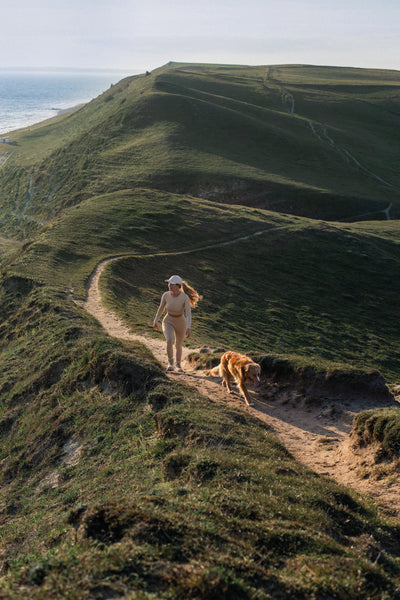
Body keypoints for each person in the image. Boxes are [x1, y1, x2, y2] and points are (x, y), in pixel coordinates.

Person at [153, 275, 201, 372]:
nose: (169, 285)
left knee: (178, 345)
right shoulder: (165, 295)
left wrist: (188, 327)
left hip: (181, 322)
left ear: (178, 286)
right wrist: (156, 320)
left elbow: (188, 314)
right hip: (168, 320)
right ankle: (170, 363)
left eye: (172, 284)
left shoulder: (184, 297)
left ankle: (178, 365)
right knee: (169, 340)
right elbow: (161, 308)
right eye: (169, 283)